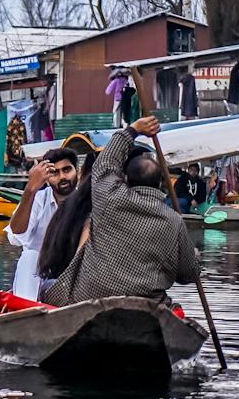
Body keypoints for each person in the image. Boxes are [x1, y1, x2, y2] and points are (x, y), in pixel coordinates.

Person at [42, 117, 198, 308]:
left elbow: (105, 163)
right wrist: (194, 256)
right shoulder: (174, 221)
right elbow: (188, 274)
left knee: (47, 288)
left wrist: (134, 129)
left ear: (126, 179)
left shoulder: (109, 198)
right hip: (144, 306)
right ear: (160, 184)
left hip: (88, 299)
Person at [5, 149, 80, 300]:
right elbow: (16, 235)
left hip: (76, 282)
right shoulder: (38, 199)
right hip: (39, 282)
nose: (62, 177)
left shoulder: (87, 202)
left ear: (77, 171)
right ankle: (25, 313)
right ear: (46, 178)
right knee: (29, 256)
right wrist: (30, 189)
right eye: (55, 173)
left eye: (67, 170)